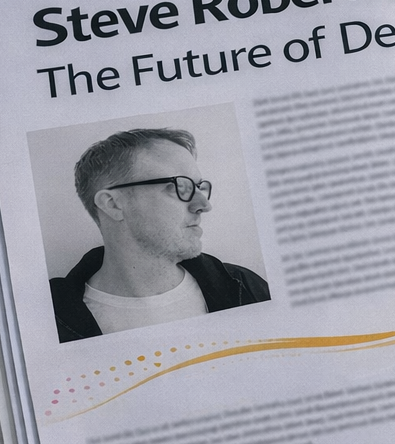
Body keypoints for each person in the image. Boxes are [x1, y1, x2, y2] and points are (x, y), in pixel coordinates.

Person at [50, 128, 270, 342]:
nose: (203, 204)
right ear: (113, 204)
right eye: (178, 186)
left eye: (198, 186)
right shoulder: (48, 319)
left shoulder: (246, 288)